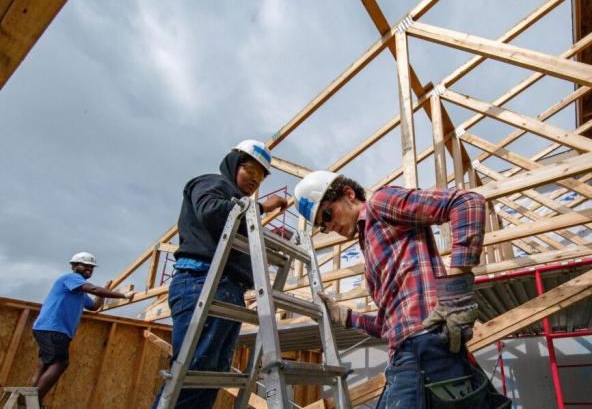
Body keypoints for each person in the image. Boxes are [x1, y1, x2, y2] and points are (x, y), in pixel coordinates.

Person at [294, 171, 511, 409]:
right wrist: (346, 317)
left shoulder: (380, 203)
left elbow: (467, 203)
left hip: (426, 344)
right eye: (322, 226)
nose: (329, 225)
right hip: (404, 353)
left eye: (327, 214)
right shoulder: (369, 246)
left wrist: (455, 293)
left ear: (349, 194)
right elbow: (388, 327)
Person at [151, 140, 288, 409]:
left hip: (226, 288)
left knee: (209, 379)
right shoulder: (212, 183)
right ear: (234, 163)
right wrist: (261, 207)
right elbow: (212, 211)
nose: (255, 180)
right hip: (201, 282)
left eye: (261, 176)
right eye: (251, 170)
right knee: (193, 374)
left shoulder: (238, 205)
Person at [31, 252, 135, 403]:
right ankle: (33, 402)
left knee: (46, 363)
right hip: (53, 328)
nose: (89, 269)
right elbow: (93, 289)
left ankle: (27, 401)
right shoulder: (71, 278)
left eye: (91, 267)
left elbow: (94, 306)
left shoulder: (78, 291)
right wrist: (123, 295)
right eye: (85, 266)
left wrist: (105, 290)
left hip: (55, 330)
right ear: (74, 266)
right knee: (60, 363)